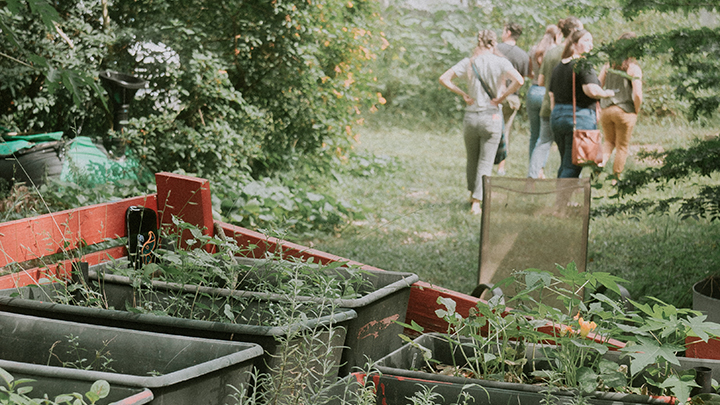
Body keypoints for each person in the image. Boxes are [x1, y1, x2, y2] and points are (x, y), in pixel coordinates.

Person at [439, 29, 524, 215]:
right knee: (485, 161)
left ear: (478, 43)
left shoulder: (470, 62)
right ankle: (477, 202)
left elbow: (443, 78)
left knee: (472, 159)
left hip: (471, 117)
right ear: (494, 44)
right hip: (491, 116)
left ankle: (472, 195)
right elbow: (519, 80)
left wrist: (462, 93)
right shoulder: (501, 62)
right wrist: (502, 97)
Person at [548, 29, 615, 178]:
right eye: (586, 40)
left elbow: (551, 95)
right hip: (579, 117)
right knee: (573, 165)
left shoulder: (558, 67)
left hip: (557, 117)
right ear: (574, 44)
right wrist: (607, 93)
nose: (590, 45)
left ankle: (563, 198)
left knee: (565, 162)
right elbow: (591, 89)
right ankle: (561, 200)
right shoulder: (583, 64)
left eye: (591, 41)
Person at [527, 17, 583, 179]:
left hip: (547, 105)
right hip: (568, 108)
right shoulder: (575, 54)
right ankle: (567, 182)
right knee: (568, 150)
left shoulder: (551, 52)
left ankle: (532, 177)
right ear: (575, 32)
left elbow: (541, 81)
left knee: (542, 142)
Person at [598, 32, 643, 183]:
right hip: (624, 111)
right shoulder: (633, 69)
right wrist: (636, 110)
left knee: (608, 142)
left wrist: (599, 105)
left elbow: (598, 86)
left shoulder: (608, 66)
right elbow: (637, 95)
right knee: (622, 146)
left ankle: (600, 164)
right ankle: (615, 179)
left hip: (606, 110)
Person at [526, 25, 562, 174]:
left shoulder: (534, 49)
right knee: (546, 138)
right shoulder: (557, 52)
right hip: (547, 94)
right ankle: (539, 169)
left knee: (535, 135)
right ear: (557, 36)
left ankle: (533, 168)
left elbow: (529, 73)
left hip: (533, 91)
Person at [495, 22, 530, 175]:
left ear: (508, 32)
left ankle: (487, 161)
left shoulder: (495, 50)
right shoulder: (523, 55)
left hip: (494, 96)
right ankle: (501, 167)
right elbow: (524, 77)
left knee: (491, 131)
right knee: (505, 131)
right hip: (512, 97)